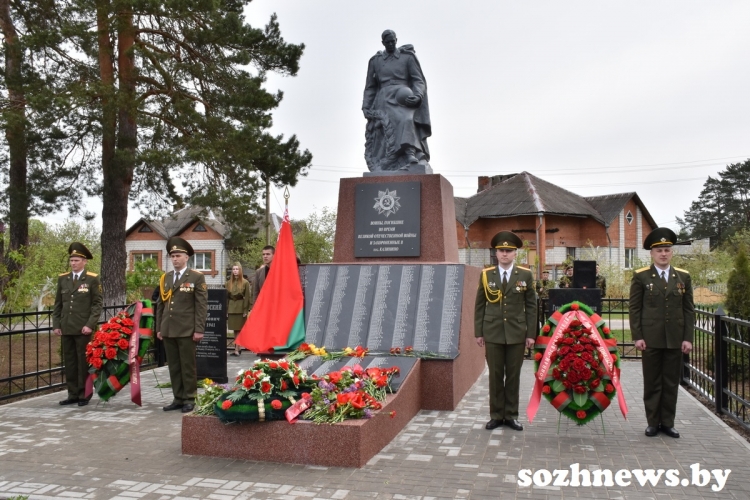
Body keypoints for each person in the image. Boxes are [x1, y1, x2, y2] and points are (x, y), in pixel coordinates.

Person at [629, 227, 694, 438]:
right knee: (652, 382)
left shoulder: (683, 277)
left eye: (667, 249)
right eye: (659, 251)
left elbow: (688, 309)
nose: (663, 254)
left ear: (672, 252)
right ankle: (652, 422)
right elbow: (635, 309)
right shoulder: (641, 277)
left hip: (675, 338)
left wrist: (688, 338)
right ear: (652, 254)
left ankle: (668, 422)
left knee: (671, 382)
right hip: (651, 338)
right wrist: (637, 336)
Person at [475, 231, 537, 431]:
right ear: (495, 253)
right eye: (501, 250)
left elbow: (532, 306)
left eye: (509, 251)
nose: (504, 254)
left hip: (517, 333)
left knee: (512, 376)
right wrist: (479, 332)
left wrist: (530, 334)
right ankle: (495, 415)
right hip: (492, 332)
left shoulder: (525, 275)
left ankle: (510, 415)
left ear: (515, 253)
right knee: (494, 376)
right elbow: (480, 305)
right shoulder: (486, 275)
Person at [362, 29, 432, 172]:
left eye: (393, 41)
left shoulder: (407, 57)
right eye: (387, 42)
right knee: (385, 127)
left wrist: (418, 96)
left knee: (406, 119)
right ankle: (387, 160)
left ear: (396, 40)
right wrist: (366, 106)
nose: (391, 44)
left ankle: (410, 153)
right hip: (383, 99)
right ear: (383, 43)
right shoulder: (376, 61)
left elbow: (419, 81)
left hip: (404, 98)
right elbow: (370, 87)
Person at [155, 237, 208, 413]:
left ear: (186, 257)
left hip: (186, 329)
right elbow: (161, 304)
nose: (175, 259)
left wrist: (199, 329)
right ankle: (177, 397)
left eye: (178, 255)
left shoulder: (196, 277)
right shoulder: (166, 278)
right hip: (169, 328)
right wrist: (159, 328)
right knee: (174, 366)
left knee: (187, 366)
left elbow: (201, 305)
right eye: (172, 256)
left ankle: (189, 397)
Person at [52, 243, 103, 406]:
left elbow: (97, 304)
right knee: (70, 361)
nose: (73, 263)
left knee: (83, 362)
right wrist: (56, 324)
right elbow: (58, 304)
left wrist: (90, 324)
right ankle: (72, 393)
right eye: (71, 260)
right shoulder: (63, 279)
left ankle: (84, 394)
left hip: (83, 328)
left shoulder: (92, 279)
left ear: (84, 261)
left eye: (76, 260)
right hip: (66, 327)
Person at [227, 262, 251, 357]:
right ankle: (237, 348)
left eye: (237, 269)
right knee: (234, 329)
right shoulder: (228, 283)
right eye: (234, 269)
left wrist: (245, 310)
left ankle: (237, 349)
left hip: (241, 307)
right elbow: (226, 297)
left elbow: (247, 297)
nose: (235, 271)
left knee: (240, 330)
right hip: (232, 307)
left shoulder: (245, 282)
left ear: (240, 270)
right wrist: (226, 310)